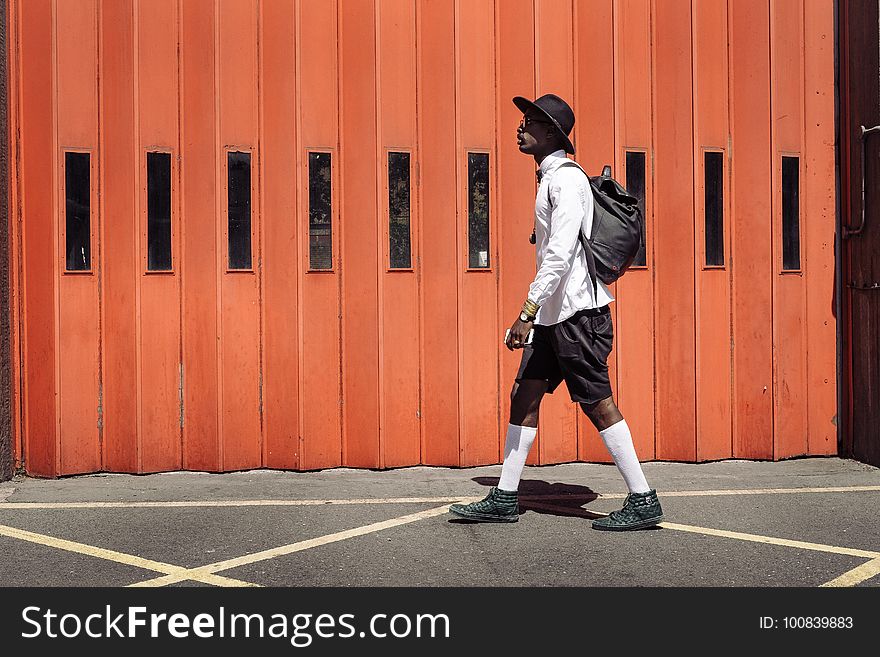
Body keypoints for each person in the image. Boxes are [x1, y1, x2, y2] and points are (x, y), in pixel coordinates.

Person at [449, 93, 664, 530]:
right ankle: (505, 496)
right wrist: (537, 312)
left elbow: (560, 254)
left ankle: (643, 498)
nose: (520, 127)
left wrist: (526, 310)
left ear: (552, 133)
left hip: (577, 315)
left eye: (529, 122)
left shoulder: (566, 181)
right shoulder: (550, 179)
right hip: (554, 315)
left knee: (598, 402)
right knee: (524, 395)